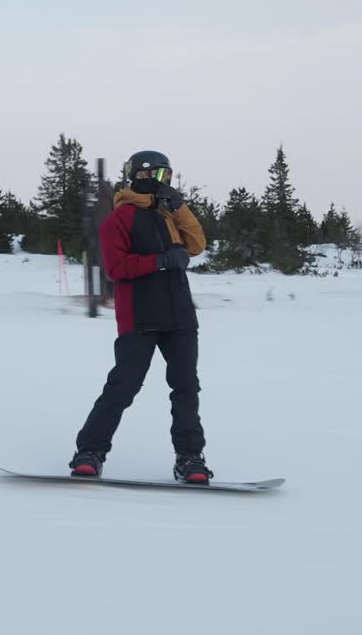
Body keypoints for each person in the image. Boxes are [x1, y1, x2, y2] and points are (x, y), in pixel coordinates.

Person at [69, 150, 213, 484]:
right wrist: (160, 261)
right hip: (140, 315)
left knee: (186, 387)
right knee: (124, 385)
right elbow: (116, 269)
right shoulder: (118, 219)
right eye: (156, 176)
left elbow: (197, 243)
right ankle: (89, 451)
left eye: (167, 177)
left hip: (179, 315)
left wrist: (179, 207)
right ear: (138, 175)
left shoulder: (169, 215)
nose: (162, 183)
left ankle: (190, 458)